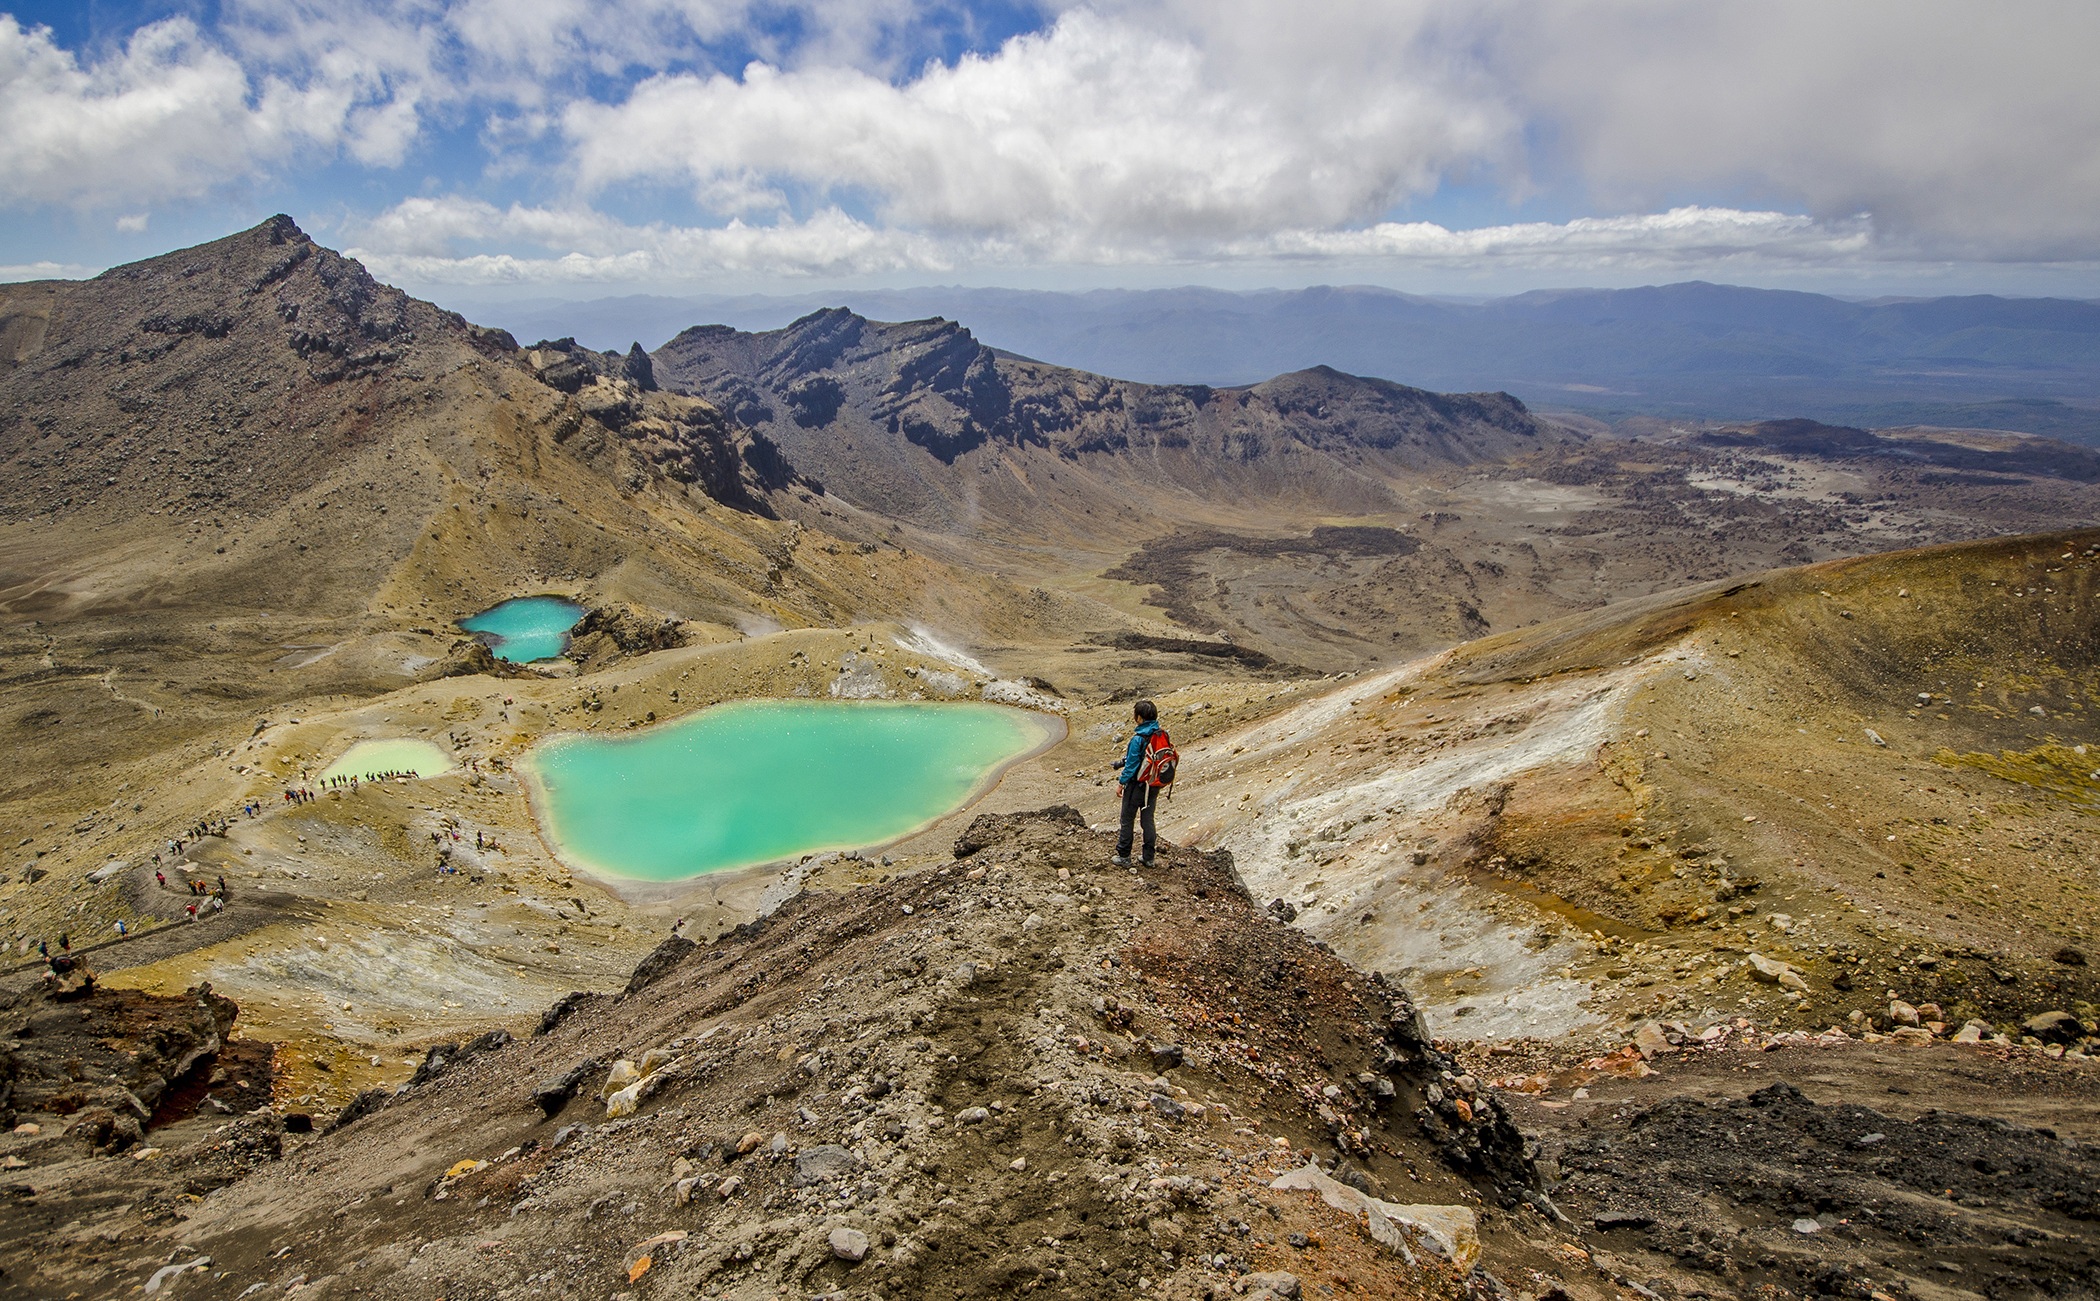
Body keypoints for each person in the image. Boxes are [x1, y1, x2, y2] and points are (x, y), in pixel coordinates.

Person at [1114, 699, 1171, 868]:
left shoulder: (1138, 739)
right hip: (1153, 784)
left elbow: (1132, 765)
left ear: (1139, 718)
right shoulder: (1161, 734)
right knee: (1147, 820)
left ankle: (1124, 856)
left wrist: (1121, 783)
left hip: (1136, 786)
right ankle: (1148, 857)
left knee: (1127, 820)